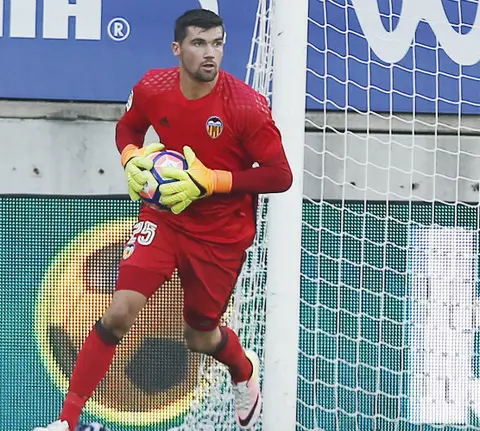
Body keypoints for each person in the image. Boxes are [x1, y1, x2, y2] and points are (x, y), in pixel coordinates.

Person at [33, 8, 293, 431]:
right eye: (199, 43)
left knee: (199, 336)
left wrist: (211, 180)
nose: (210, 53)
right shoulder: (153, 87)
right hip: (166, 216)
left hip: (221, 233)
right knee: (119, 312)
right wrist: (131, 158)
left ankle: (242, 369)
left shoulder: (245, 106)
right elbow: (129, 127)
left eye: (217, 44)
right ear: (177, 48)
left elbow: (280, 175)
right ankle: (66, 421)